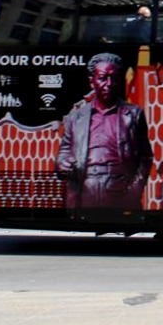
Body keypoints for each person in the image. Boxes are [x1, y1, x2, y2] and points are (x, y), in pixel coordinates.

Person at [55, 53, 153, 212]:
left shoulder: (134, 114)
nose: (109, 83)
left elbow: (145, 157)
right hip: (84, 189)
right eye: (102, 78)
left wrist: (134, 191)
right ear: (92, 81)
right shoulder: (76, 117)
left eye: (114, 78)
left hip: (120, 190)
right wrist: (62, 163)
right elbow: (64, 151)